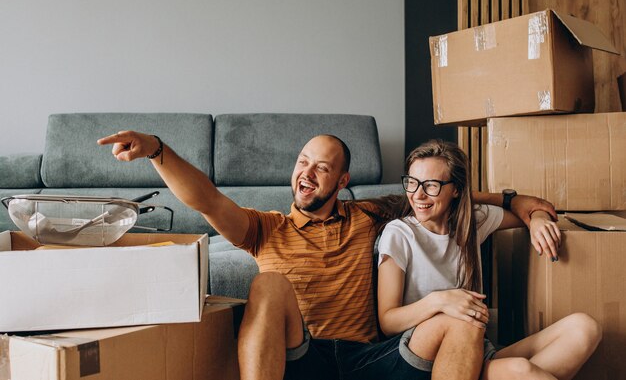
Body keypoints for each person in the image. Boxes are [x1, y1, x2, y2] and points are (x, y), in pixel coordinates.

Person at [97, 131, 556, 380]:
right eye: (302, 162)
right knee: (269, 283)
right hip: (303, 356)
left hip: (370, 359)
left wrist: (526, 208)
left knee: (461, 319)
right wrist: (158, 151)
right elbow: (207, 201)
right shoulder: (265, 228)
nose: (307, 173)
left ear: (341, 181)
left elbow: (451, 198)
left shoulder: (372, 214)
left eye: (322, 167)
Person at [377, 139, 602, 380]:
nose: (418, 194)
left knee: (585, 327)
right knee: (521, 371)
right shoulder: (399, 233)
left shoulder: (473, 221)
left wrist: (536, 218)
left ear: (456, 189)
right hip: (431, 355)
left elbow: (528, 207)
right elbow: (388, 321)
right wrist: (439, 301)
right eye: (411, 183)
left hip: (478, 351)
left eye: (431, 185)